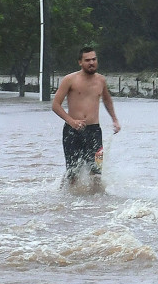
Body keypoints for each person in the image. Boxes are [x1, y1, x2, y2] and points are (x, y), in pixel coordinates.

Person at [52, 46, 121, 186]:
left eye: (94, 59)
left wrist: (115, 119)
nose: (91, 63)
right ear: (80, 62)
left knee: (96, 174)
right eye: (87, 60)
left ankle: (94, 206)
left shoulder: (101, 80)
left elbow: (107, 100)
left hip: (94, 132)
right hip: (72, 131)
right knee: (73, 174)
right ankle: (67, 201)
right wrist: (71, 121)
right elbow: (55, 105)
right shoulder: (69, 79)